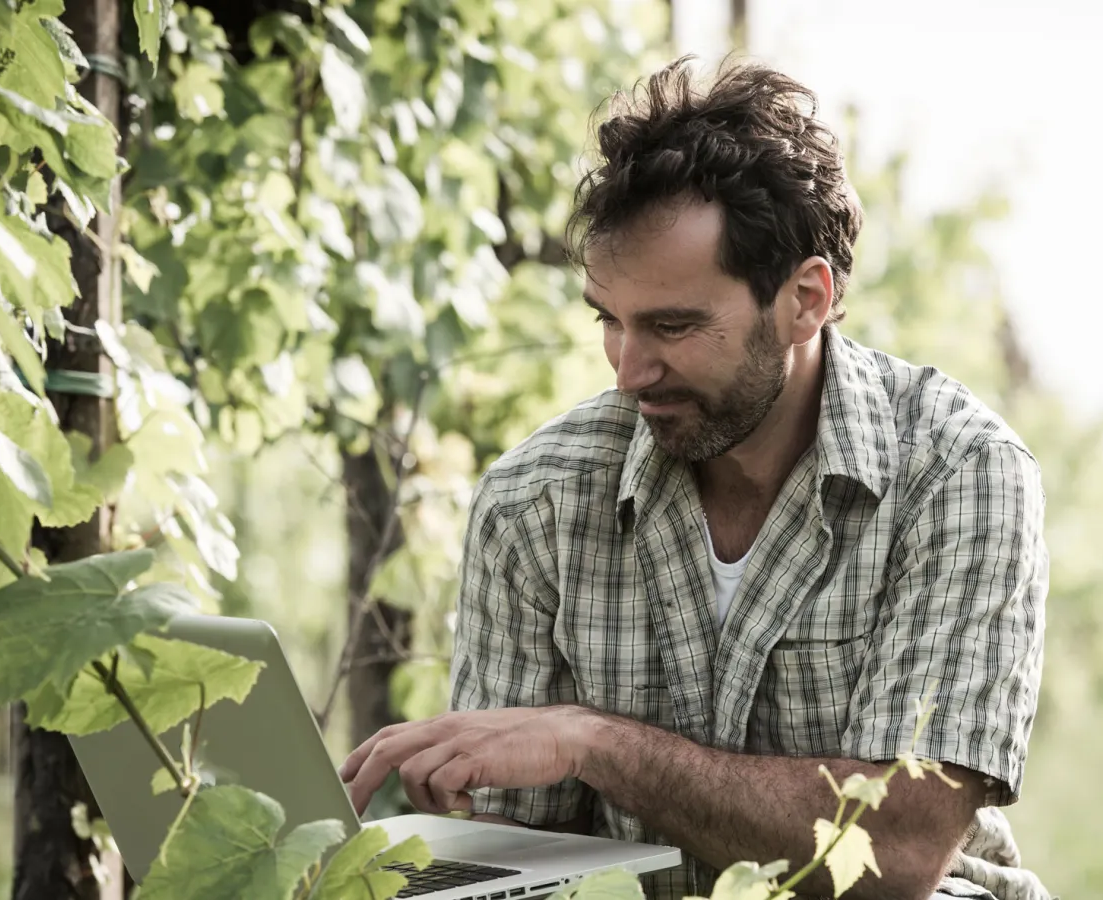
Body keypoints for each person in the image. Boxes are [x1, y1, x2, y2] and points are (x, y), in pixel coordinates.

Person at [338, 56, 1051, 900]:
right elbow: (514, 867)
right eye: (611, 321)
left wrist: (597, 744)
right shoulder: (536, 503)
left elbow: (893, 859)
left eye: (672, 326)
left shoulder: (958, 476)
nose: (628, 370)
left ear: (806, 300)